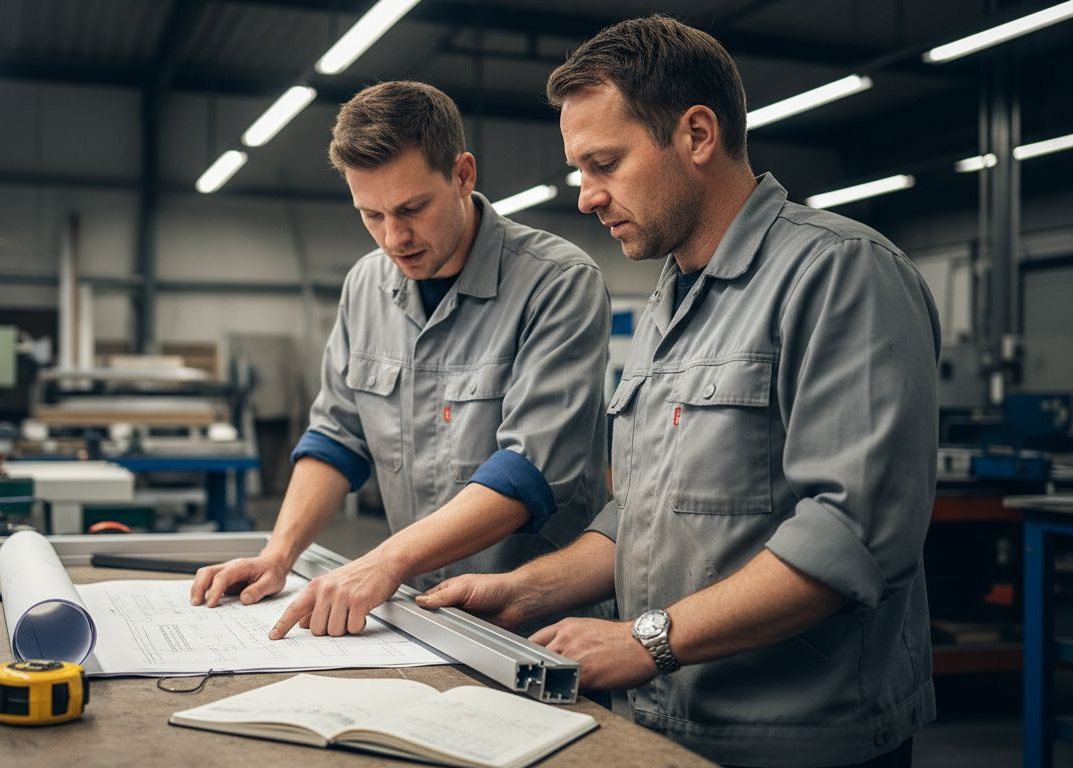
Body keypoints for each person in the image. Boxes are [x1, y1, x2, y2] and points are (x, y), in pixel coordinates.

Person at [417, 17, 940, 768]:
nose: (587, 198)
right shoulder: (670, 298)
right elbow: (644, 515)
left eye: (605, 163)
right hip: (664, 724)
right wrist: (526, 590)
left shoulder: (840, 273)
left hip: (796, 740)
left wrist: (645, 640)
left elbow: (850, 535)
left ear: (697, 134)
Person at [189, 81, 612, 642]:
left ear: (462, 175)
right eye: (371, 214)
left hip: (537, 626)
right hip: (418, 616)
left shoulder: (557, 283)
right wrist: (278, 554)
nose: (394, 238)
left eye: (413, 208)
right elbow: (337, 438)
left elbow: (528, 472)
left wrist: (383, 562)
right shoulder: (366, 285)